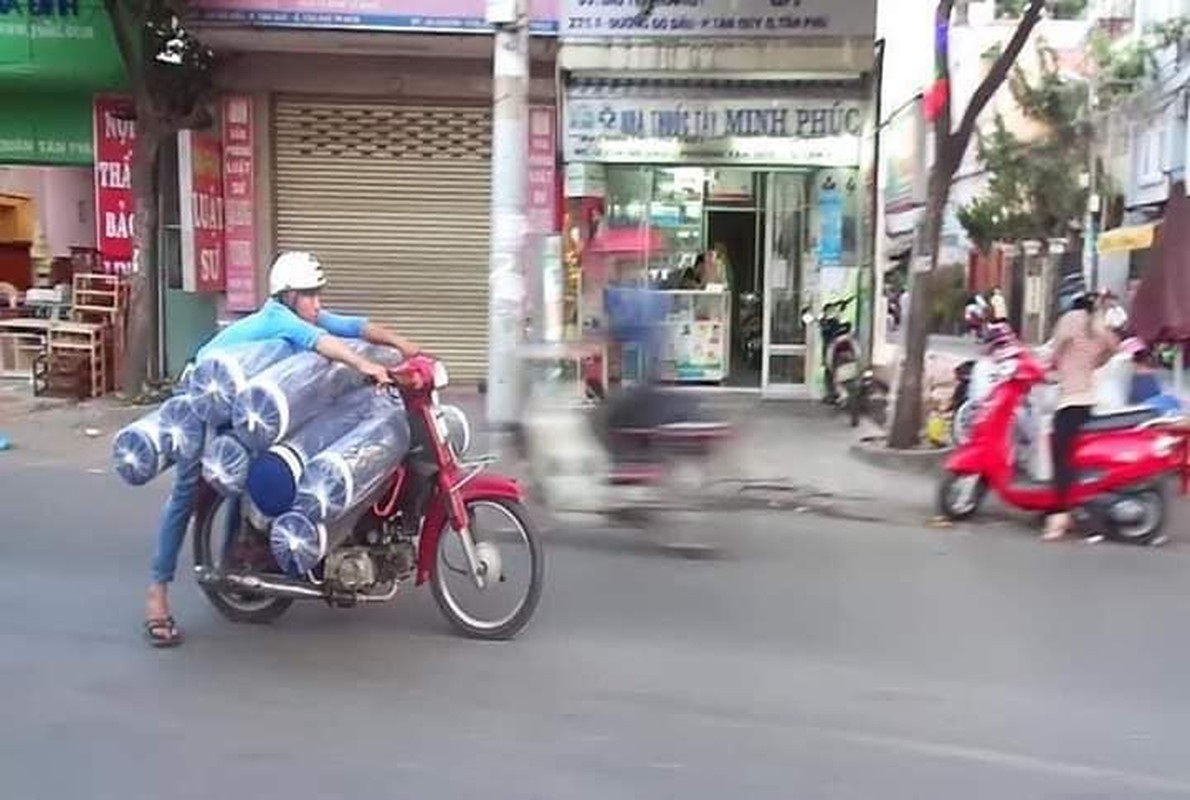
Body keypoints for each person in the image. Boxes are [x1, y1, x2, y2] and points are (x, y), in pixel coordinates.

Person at [143, 251, 420, 647]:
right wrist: (365, 367)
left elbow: (351, 325)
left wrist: (401, 344)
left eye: (318, 295)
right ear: (289, 296)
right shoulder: (278, 318)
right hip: (204, 397)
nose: (318, 304)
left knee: (254, 470)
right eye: (311, 296)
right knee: (187, 493)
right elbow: (322, 342)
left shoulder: (301, 316)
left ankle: (239, 557)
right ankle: (157, 595)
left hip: (245, 405)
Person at [1044, 292, 1118, 541]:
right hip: (1087, 400)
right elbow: (1112, 349)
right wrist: (1093, 360)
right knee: (1070, 456)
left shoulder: (1070, 320)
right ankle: (1068, 507)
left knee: (1060, 457)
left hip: (1069, 401)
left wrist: (1054, 364)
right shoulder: (1098, 327)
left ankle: (1060, 514)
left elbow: (1055, 350)